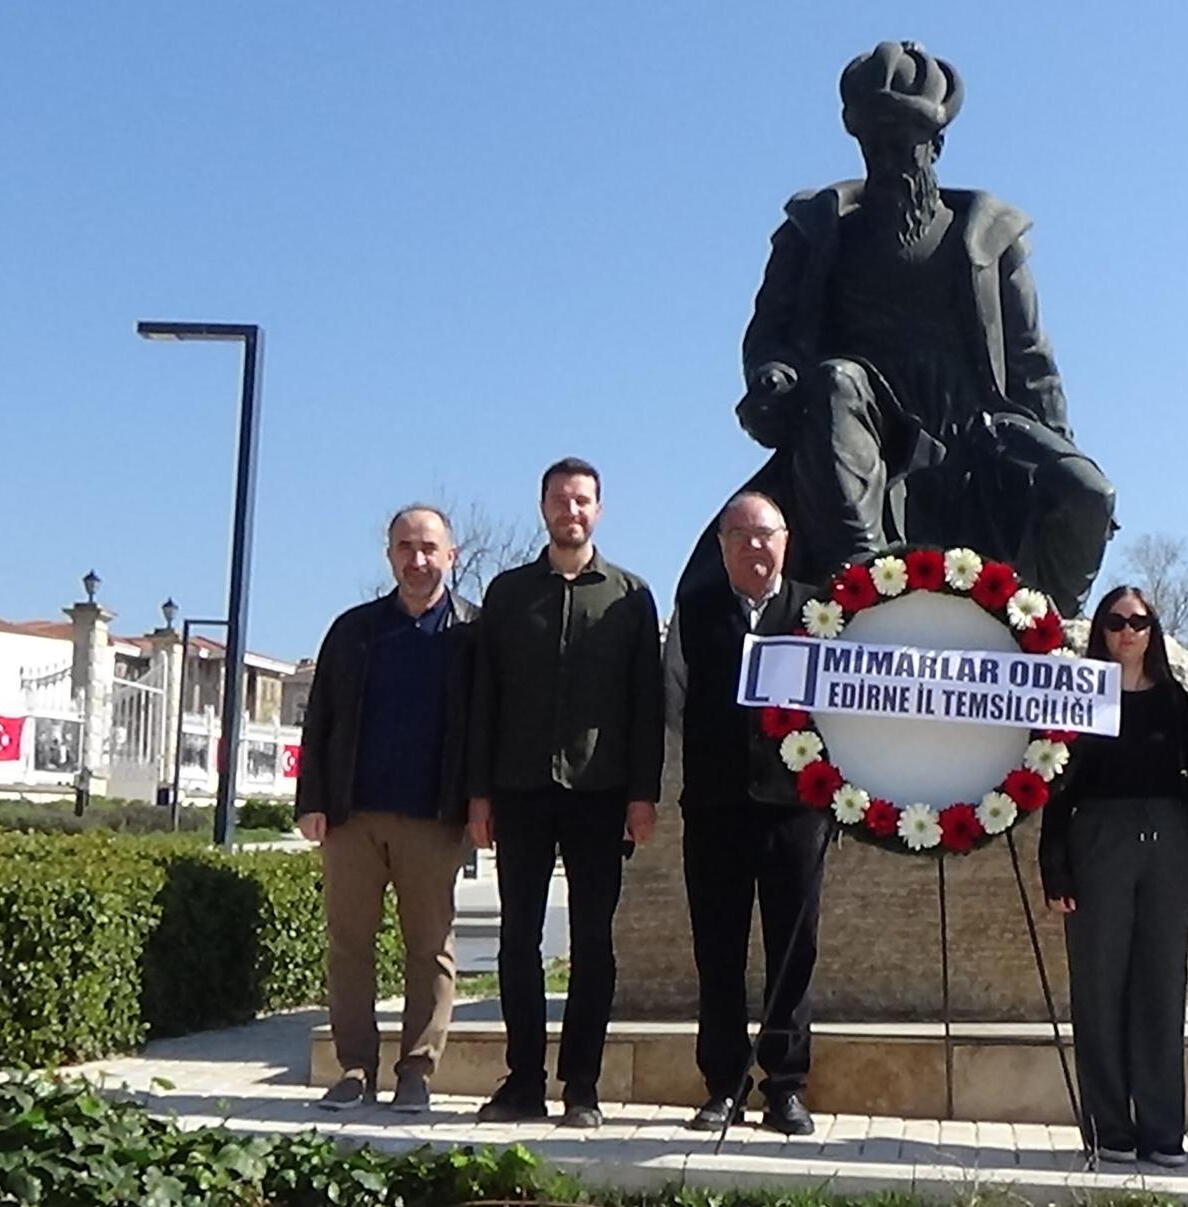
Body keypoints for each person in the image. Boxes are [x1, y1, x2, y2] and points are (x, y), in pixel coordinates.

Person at [678, 39, 1114, 615]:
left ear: (936, 144)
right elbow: (770, 336)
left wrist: (1060, 451)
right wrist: (773, 374)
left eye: (903, 143)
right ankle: (866, 588)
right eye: (875, 143)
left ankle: (1040, 631)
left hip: (973, 443)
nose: (888, 158)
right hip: (858, 436)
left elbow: (1031, 360)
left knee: (1088, 493)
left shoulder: (987, 239)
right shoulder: (815, 232)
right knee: (835, 378)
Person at [466, 458, 663, 1128]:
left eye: (581, 501)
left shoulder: (631, 596)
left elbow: (645, 705)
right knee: (515, 939)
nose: (570, 511)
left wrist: (644, 794)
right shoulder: (507, 593)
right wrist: (478, 792)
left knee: (593, 942)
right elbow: (482, 699)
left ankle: (582, 1084)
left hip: (600, 791)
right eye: (559, 500)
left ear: (598, 510)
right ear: (542, 508)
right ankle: (522, 1079)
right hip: (519, 789)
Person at [296, 505, 477, 1113]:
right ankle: (354, 1068)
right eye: (405, 546)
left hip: (435, 816)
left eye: (429, 547)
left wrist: (482, 804)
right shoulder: (353, 630)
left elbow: (489, 726)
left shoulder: (474, 634)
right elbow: (318, 718)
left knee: (429, 949)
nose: (417, 559)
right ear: (389, 555)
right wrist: (312, 801)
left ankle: (417, 1072)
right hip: (353, 816)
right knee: (350, 945)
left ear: (451, 555)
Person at [664, 492, 827, 1136]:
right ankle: (723, 1085)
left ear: (785, 542)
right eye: (740, 537)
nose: (754, 547)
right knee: (719, 950)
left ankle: (785, 1086)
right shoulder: (696, 611)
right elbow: (674, 697)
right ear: (722, 546)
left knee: (794, 950)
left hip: (795, 811)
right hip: (715, 808)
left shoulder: (819, 613)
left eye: (765, 536)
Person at [1039, 585, 1188, 1167]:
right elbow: (1056, 784)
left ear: (1152, 629)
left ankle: (1163, 1129)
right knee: (1100, 985)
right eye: (1115, 622)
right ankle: (1109, 1128)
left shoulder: (1172, 699)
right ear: (1101, 631)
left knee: (1161, 988)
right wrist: (1054, 865)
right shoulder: (1079, 695)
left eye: (1138, 621)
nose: (1127, 632)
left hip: (1168, 841)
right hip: (1099, 839)